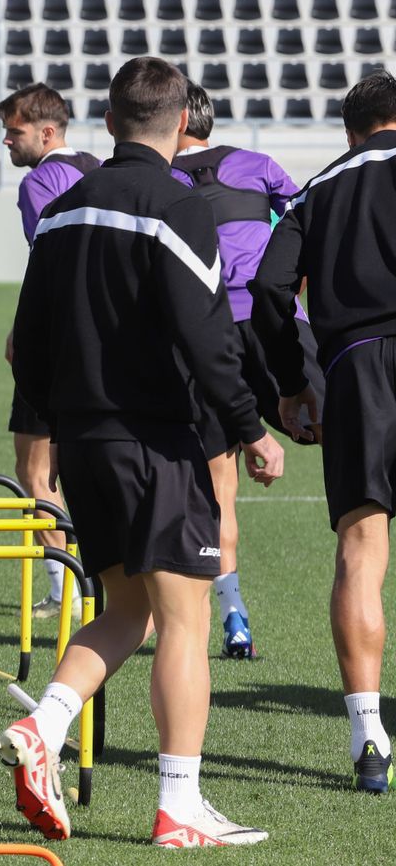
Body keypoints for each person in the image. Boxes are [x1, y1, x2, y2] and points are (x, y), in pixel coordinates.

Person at [2, 56, 283, 847]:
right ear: (180, 122)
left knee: (127, 611)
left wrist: (63, 422)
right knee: (185, 619)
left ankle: (43, 727)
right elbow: (207, 334)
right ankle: (178, 807)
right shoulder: (179, 206)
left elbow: (29, 341)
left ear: (111, 118)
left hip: (83, 441)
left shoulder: (65, 207)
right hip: (157, 440)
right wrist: (250, 427)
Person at [251, 69, 396, 794]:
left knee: (362, 546)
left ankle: (368, 732)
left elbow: (270, 289)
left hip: (356, 368)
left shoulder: (316, 190)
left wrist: (293, 379)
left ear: (351, 131)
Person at [170, 80, 325, 660]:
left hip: (200, 338)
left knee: (219, 488)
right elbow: (308, 232)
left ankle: (234, 617)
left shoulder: (156, 179)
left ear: (174, 119)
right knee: (358, 442)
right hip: (275, 325)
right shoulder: (257, 164)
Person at [0, 83, 98, 619]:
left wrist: (24, 327)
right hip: (108, 343)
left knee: (36, 474)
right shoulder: (99, 166)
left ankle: (64, 592)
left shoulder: (40, 182)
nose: (7, 142)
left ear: (47, 131)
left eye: (14, 132)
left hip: (57, 341)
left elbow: (50, 261)